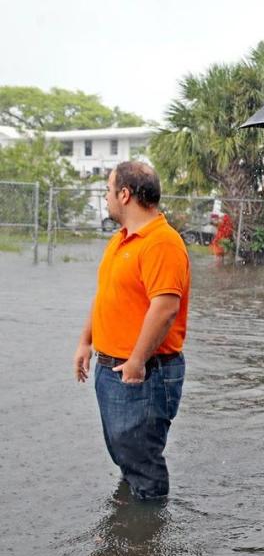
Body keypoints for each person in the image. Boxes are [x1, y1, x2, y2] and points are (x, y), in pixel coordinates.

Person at [73, 162, 190, 500]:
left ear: (124, 195)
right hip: (114, 369)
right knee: (128, 459)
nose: (107, 199)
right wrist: (86, 342)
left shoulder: (162, 243)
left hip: (141, 374)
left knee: (144, 466)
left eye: (109, 191)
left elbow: (165, 308)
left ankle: (146, 541)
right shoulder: (121, 240)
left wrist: (137, 361)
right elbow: (106, 294)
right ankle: (131, 531)